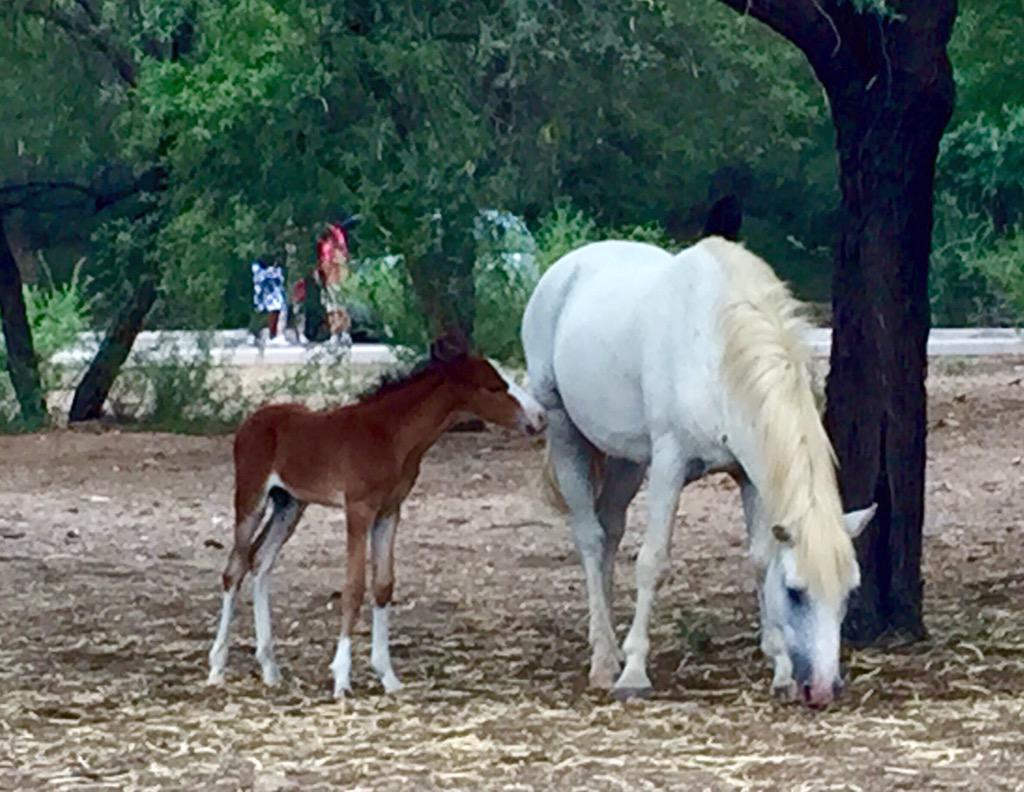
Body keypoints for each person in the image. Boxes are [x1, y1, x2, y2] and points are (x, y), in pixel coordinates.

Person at [315, 220, 354, 346]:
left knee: (340, 307)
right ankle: (335, 333)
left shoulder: (336, 246)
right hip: (328, 280)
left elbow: (340, 261)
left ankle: (344, 332)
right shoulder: (324, 245)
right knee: (331, 308)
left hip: (337, 280)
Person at [250, 257, 287, 345]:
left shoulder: (274, 272)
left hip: (274, 297)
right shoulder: (262, 272)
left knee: (274, 314)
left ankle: (272, 335)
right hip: (267, 297)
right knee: (265, 315)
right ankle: (258, 334)